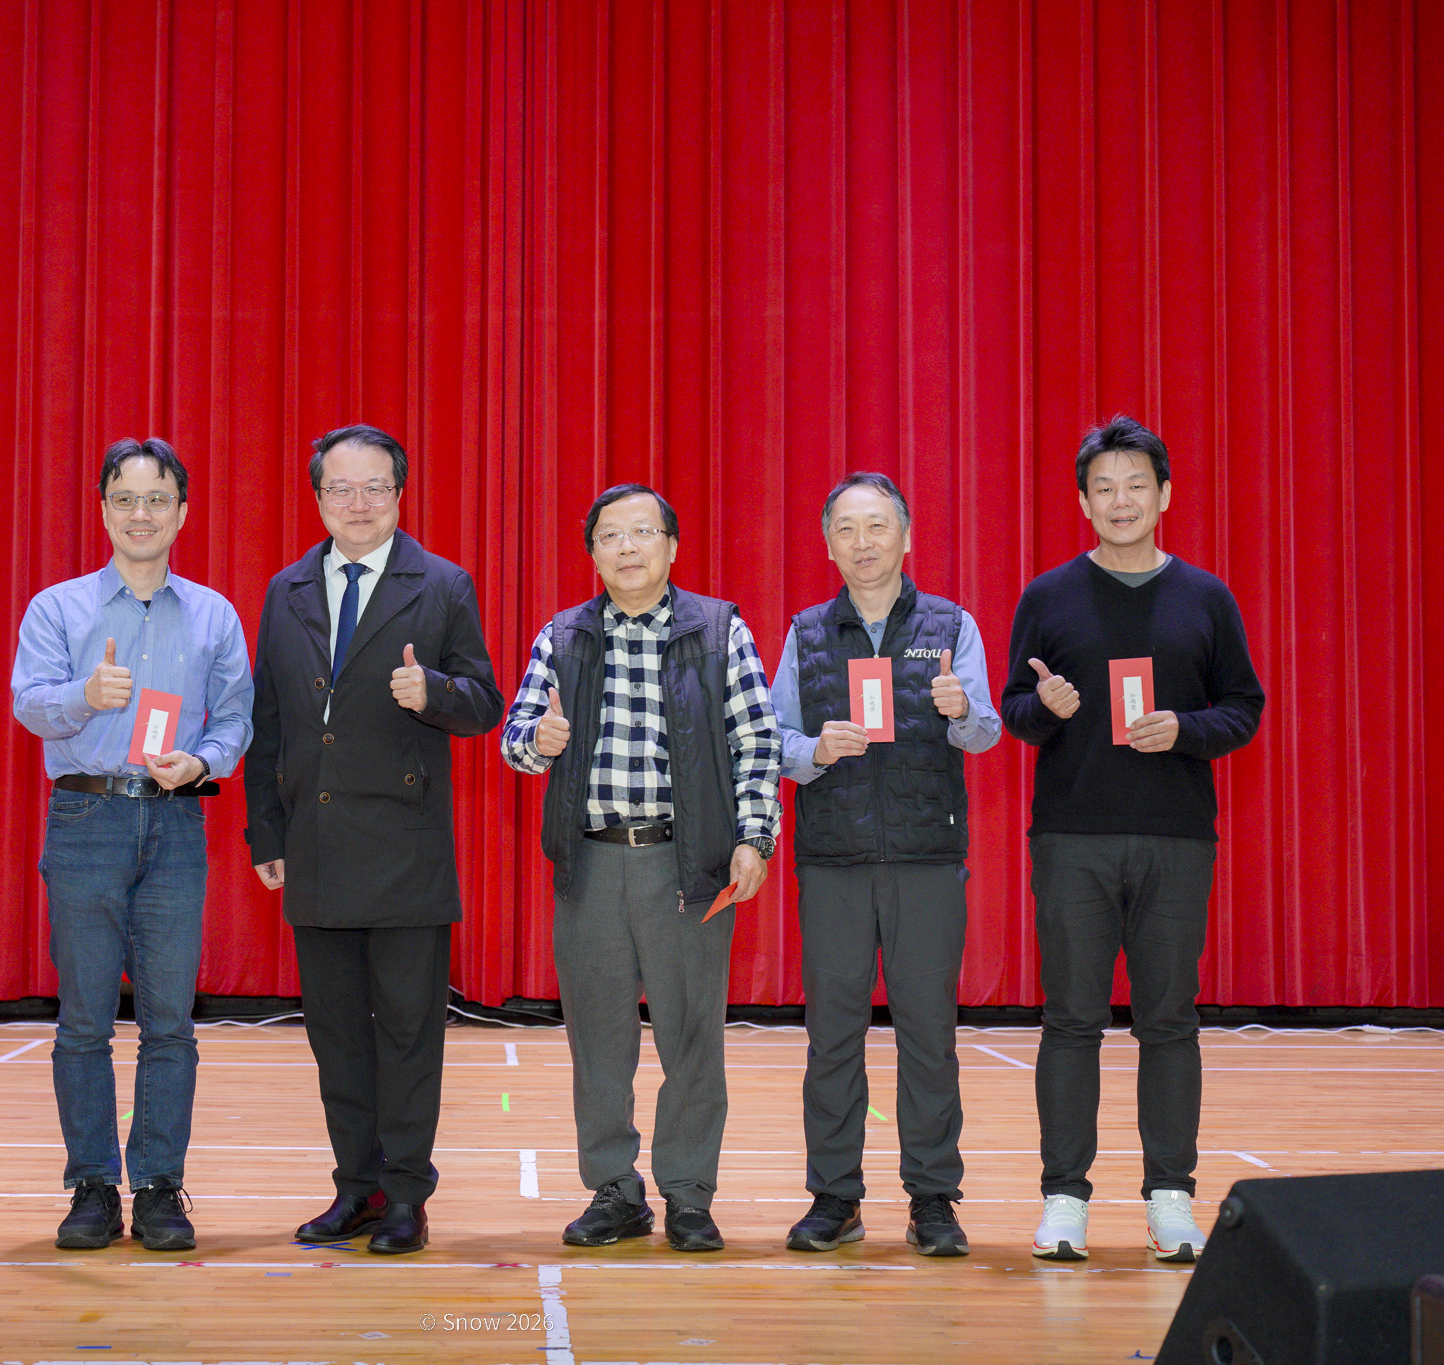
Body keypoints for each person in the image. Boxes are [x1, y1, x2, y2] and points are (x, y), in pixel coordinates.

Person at [1000, 416, 1264, 1262]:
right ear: (1083, 501)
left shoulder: (1205, 597)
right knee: (1071, 1019)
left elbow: (1244, 707)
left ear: (1165, 494)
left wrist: (1185, 728)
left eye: (1136, 485)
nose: (1121, 501)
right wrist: (1047, 710)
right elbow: (1013, 710)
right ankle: (1064, 1199)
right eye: (1104, 487)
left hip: (1176, 838)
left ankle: (1170, 1198)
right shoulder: (1047, 596)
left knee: (1169, 1020)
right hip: (1072, 839)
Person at [500, 483, 781, 1253]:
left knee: (692, 1038)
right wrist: (537, 740)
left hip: (685, 864)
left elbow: (757, 742)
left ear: (672, 546)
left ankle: (688, 1194)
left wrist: (755, 836)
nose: (627, 547)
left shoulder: (719, 630)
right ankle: (615, 1190)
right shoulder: (562, 635)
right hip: (590, 864)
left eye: (642, 532)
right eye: (610, 535)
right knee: (598, 1040)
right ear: (593, 553)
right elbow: (516, 737)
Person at [245, 424, 503, 1255]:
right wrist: (265, 828)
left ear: (400, 492)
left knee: (407, 1035)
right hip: (316, 843)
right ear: (318, 496)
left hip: (405, 849)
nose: (358, 503)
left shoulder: (442, 584)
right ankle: (355, 1188)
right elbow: (268, 720)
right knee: (336, 1036)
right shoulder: (286, 589)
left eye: (375, 487)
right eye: (341, 488)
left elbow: (486, 702)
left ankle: (406, 1196)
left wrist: (434, 691)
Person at [11, 438, 253, 1252]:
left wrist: (204, 761)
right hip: (86, 817)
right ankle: (90, 1185)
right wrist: (85, 694)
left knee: (169, 1021)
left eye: (156, 499)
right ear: (104, 508)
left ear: (181, 512)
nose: (140, 513)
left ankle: (156, 1185)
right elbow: (28, 704)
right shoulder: (58, 608)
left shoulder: (214, 615)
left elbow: (236, 717)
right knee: (83, 1018)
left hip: (176, 822)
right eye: (125, 498)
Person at [768, 473, 1000, 1257]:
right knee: (832, 1034)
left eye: (877, 526)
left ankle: (933, 1197)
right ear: (828, 544)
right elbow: (771, 737)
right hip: (833, 860)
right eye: (846, 528)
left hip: (926, 858)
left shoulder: (952, 624)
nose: (863, 542)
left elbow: (986, 732)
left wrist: (961, 711)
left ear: (905, 536)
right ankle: (834, 1196)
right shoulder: (806, 632)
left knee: (929, 1033)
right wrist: (814, 749)